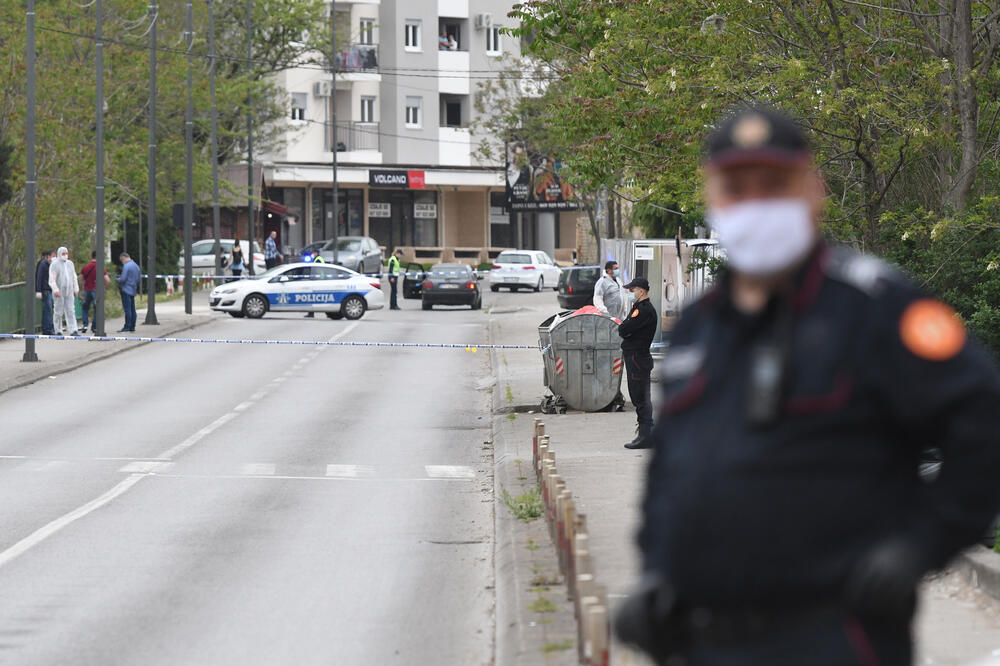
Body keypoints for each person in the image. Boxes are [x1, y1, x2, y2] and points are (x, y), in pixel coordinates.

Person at [615, 106, 1000, 666]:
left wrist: (921, 544)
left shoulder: (877, 309)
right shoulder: (702, 325)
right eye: (737, 187)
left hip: (833, 637)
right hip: (704, 641)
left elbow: (983, 426)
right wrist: (656, 573)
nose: (756, 203)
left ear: (812, 190)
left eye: (774, 184)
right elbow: (673, 468)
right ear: (714, 197)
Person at [618, 277, 657, 449]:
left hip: (638, 357)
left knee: (641, 397)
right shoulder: (639, 308)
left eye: (633, 290)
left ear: (641, 291)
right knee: (638, 395)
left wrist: (626, 329)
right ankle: (644, 433)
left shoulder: (644, 310)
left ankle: (645, 435)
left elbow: (624, 329)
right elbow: (625, 329)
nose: (631, 293)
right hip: (636, 356)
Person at [48, 246, 80, 336]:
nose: (65, 255)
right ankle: (58, 330)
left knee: (71, 310)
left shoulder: (70, 264)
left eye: (66, 253)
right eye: (63, 254)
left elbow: (74, 277)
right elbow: (52, 279)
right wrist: (55, 290)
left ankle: (73, 330)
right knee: (58, 311)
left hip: (69, 291)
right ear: (59, 254)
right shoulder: (54, 265)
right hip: (59, 291)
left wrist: (76, 289)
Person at [79, 250, 110, 334]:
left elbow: (81, 279)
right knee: (97, 309)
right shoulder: (100, 267)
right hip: (96, 291)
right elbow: (107, 280)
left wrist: (82, 289)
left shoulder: (85, 267)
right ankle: (94, 327)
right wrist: (105, 290)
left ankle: (85, 325)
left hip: (87, 290)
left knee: (85, 308)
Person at [116, 252, 140, 333]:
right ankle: (132, 326)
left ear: (123, 258)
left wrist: (117, 280)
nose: (122, 261)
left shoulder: (126, 266)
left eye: (122, 260)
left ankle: (127, 327)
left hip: (126, 289)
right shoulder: (136, 266)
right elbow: (138, 278)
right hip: (133, 289)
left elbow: (123, 278)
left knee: (127, 309)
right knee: (133, 309)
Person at [34, 250, 54, 335]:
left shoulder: (49, 265)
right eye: (53, 256)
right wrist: (38, 290)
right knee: (47, 309)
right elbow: (39, 277)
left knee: (49, 309)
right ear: (48, 256)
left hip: (49, 289)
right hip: (45, 290)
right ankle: (47, 329)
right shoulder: (43, 264)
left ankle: (49, 327)